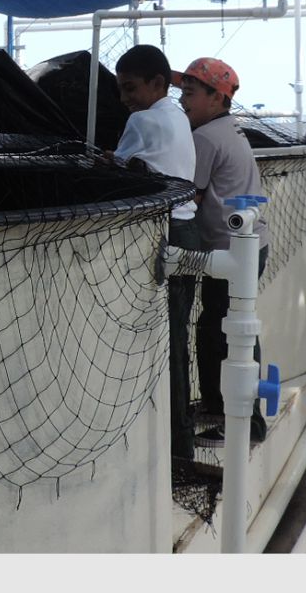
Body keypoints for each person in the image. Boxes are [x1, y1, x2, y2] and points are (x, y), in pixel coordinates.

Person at [174, 56, 269, 447]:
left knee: (230, 333)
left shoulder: (205, 138)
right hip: (247, 246)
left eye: (190, 93)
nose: (183, 101)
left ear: (217, 98)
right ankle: (220, 407)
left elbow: (188, 197)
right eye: (182, 93)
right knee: (222, 328)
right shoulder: (230, 129)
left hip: (231, 251)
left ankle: (246, 421)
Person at [110, 45, 200, 458]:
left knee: (167, 344)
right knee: (177, 338)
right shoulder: (178, 116)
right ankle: (180, 437)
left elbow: (117, 170)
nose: (124, 98)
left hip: (166, 235)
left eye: (130, 88)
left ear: (157, 83)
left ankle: (176, 443)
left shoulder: (142, 120)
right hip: (188, 231)